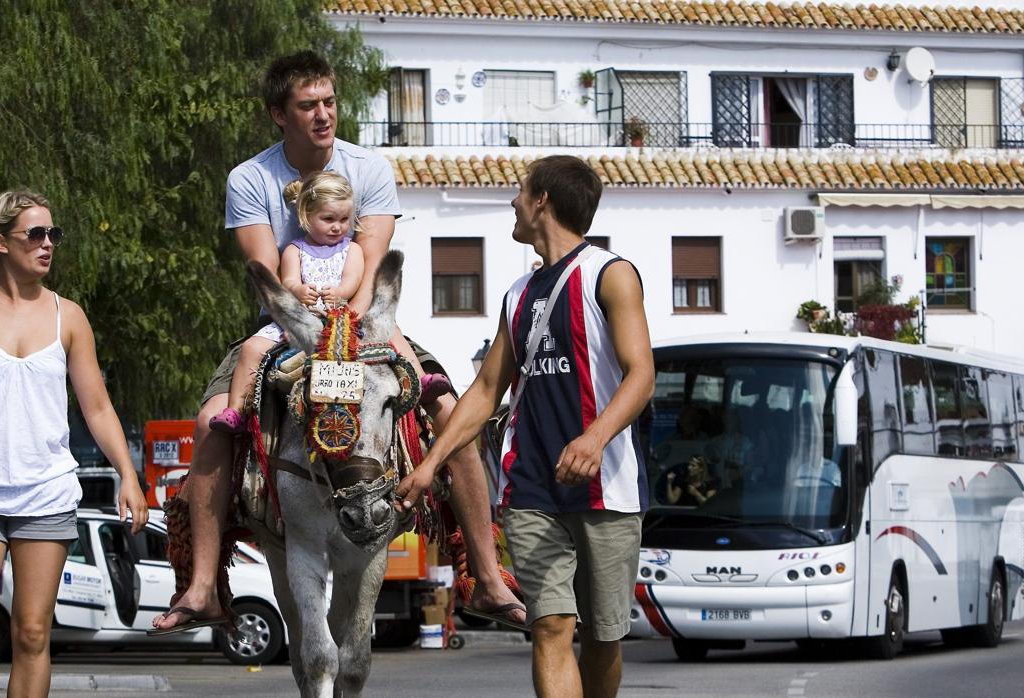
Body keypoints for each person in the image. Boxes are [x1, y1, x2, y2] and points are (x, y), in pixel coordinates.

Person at [151, 50, 524, 633]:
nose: (324, 114)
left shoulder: (369, 168)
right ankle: (202, 585)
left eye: (329, 101)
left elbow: (369, 265)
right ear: (279, 113)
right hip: (287, 322)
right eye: (308, 106)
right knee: (208, 425)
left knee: (452, 411)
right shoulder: (250, 178)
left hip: (364, 320)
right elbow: (267, 273)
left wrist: (346, 328)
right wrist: (307, 319)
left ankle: (485, 574)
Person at [395, 156, 653, 697]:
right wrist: (430, 463)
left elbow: (642, 375)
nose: (513, 201)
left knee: (603, 639)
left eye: (520, 191)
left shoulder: (611, 274)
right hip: (531, 487)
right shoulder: (517, 294)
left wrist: (594, 436)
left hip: (606, 489)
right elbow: (485, 392)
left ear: (542, 202)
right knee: (551, 626)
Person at [0, 190, 148, 698]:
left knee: (33, 634)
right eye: (34, 234)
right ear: (0, 243)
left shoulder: (70, 317)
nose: (47, 244)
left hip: (46, 492)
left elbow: (98, 408)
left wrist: (128, 474)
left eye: (52, 234)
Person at [207, 171, 450, 433]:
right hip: (301, 321)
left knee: (392, 332)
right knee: (251, 349)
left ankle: (420, 381)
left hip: (345, 320)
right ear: (306, 217)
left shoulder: (352, 249)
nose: (338, 226)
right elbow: (287, 281)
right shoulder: (294, 250)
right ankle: (236, 409)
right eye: (328, 219)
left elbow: (353, 279)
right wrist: (299, 291)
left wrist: (341, 293)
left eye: (345, 219)